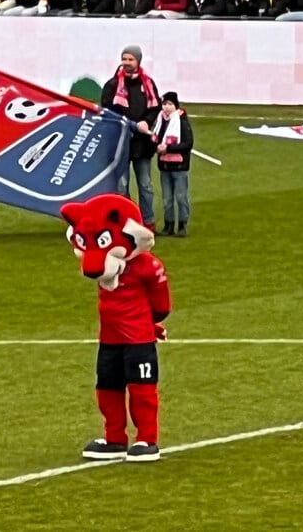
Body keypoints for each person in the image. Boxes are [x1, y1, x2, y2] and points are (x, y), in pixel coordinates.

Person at [60, 193, 170, 463]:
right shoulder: (108, 268)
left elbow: (162, 304)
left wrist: (150, 325)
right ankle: (115, 438)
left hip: (138, 340)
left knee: (142, 388)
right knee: (107, 386)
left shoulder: (146, 266)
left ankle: (147, 438)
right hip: (109, 338)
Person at [100, 45, 160, 231]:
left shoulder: (148, 84)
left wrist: (146, 123)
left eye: (130, 59)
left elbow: (155, 109)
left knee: (146, 185)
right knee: (121, 186)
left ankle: (148, 222)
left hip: (142, 144)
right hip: (120, 143)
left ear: (138, 61)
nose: (126, 62)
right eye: (124, 59)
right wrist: (131, 124)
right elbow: (106, 112)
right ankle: (126, 224)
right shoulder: (112, 85)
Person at [151, 91, 193, 237]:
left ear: (175, 106)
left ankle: (182, 225)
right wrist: (155, 146)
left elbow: (188, 144)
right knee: (167, 198)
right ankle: (168, 225)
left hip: (179, 166)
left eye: (170, 104)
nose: (167, 107)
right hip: (164, 165)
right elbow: (155, 138)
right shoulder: (160, 121)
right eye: (165, 104)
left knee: (181, 197)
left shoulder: (181, 121)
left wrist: (168, 148)